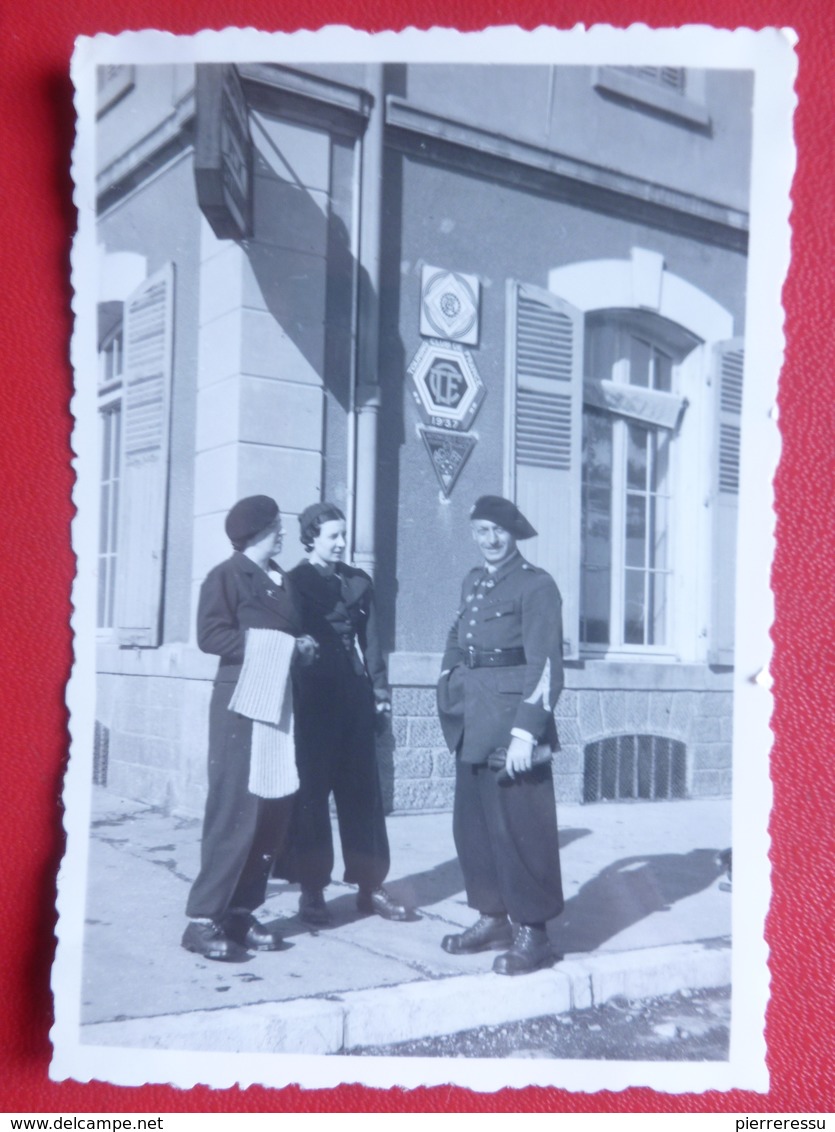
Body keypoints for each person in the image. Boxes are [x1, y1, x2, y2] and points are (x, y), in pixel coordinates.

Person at [182, 494, 316, 962]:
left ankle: (240, 910)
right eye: (277, 526)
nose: (283, 532)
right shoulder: (226, 576)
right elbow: (210, 635)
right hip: (241, 702)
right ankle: (202, 920)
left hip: (277, 701)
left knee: (270, 808)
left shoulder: (279, 579)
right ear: (256, 533)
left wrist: (298, 646)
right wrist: (282, 646)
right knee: (234, 809)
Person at [436, 495, 565, 975]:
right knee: (472, 828)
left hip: (511, 722)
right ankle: (492, 918)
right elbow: (457, 637)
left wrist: (525, 734)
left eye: (498, 531)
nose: (489, 541)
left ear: (515, 533)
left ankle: (534, 932)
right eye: (481, 531)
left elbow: (547, 665)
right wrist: (447, 681)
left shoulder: (537, 586)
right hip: (472, 718)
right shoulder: (474, 582)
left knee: (521, 830)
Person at [282, 502, 408, 925]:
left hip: (354, 697)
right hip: (314, 697)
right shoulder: (294, 582)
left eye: (342, 534)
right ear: (311, 538)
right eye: (332, 535)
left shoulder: (359, 582)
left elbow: (372, 643)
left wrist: (380, 692)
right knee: (312, 796)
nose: (340, 542)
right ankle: (313, 891)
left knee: (363, 795)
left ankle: (371, 887)